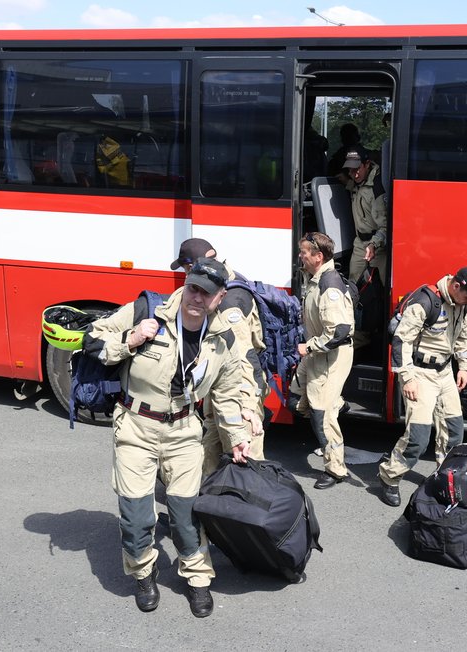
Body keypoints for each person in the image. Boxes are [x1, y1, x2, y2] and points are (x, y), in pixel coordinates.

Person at [83, 257, 262, 618]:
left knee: (185, 515)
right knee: (135, 517)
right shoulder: (146, 309)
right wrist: (130, 339)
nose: (196, 297)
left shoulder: (222, 339)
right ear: (186, 283)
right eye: (193, 287)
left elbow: (225, 395)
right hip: (136, 427)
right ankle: (143, 573)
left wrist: (237, 438)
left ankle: (197, 579)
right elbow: (92, 340)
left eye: (206, 293)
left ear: (219, 297)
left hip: (184, 432)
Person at [376, 267, 467, 507]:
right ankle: (389, 477)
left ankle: (444, 477)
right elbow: (401, 341)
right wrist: (407, 378)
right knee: (418, 437)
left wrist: (464, 367)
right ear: (456, 286)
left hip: (445, 372)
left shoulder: (465, 304)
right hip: (420, 372)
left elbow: (464, 337)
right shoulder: (425, 301)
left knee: (454, 431)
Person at [169, 238, 269, 476]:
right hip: (219, 388)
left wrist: (247, 405)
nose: (186, 277)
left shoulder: (228, 302)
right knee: (212, 442)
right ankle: (201, 495)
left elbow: (243, 358)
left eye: (185, 269)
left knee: (247, 458)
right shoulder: (229, 279)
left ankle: (252, 505)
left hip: (238, 392)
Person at [291, 232, 355, 490]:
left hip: (327, 355)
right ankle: (337, 402)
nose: (300, 256)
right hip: (317, 353)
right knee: (295, 400)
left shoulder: (329, 286)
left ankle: (336, 469)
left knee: (321, 415)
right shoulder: (315, 278)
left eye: (304, 252)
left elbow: (339, 332)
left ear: (318, 257)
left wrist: (309, 346)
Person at [342, 144, 388, 349]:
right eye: (349, 170)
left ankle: (373, 333)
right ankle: (358, 334)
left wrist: (374, 244)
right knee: (354, 288)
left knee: (376, 292)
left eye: (356, 168)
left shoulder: (377, 187)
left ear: (367, 164)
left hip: (376, 246)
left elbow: (386, 226)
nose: (353, 173)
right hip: (360, 243)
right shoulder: (357, 180)